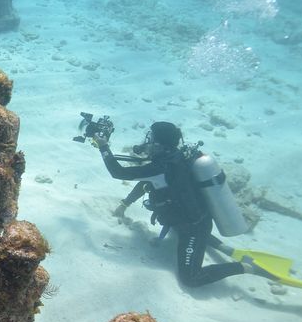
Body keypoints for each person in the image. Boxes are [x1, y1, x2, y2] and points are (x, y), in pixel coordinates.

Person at [95, 121, 270, 287]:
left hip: (193, 227)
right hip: (186, 220)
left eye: (151, 139)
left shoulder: (162, 168)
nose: (147, 142)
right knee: (183, 231)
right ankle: (217, 245)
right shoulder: (174, 157)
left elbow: (118, 172)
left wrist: (103, 145)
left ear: (159, 144)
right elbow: (147, 183)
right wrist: (124, 205)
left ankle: (245, 267)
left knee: (191, 279)